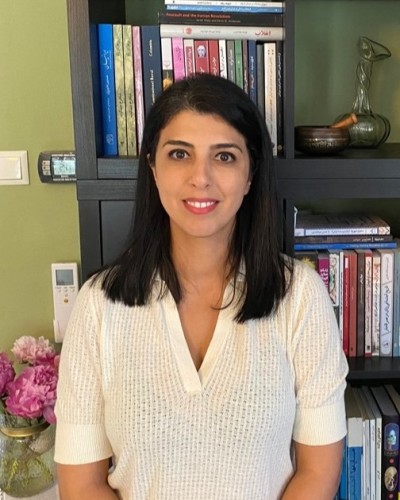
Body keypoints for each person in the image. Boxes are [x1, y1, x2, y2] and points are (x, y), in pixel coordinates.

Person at [54, 74, 348, 500]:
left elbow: (318, 473)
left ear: (250, 174)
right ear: (153, 168)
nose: (201, 177)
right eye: (180, 154)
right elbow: (81, 484)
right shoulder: (98, 304)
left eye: (224, 157)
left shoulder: (299, 296)